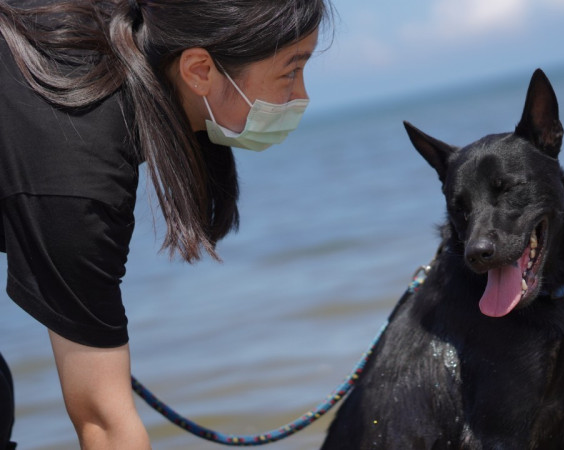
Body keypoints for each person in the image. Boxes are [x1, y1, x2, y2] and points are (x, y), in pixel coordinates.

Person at [0, 0, 330, 448]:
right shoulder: (79, 167)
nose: (302, 96)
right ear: (198, 70)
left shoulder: (129, 31)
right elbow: (103, 422)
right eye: (291, 72)